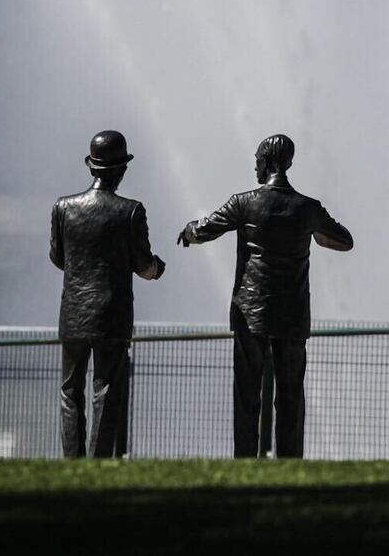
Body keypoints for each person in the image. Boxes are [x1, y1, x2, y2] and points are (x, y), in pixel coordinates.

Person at [178, 133, 353, 458]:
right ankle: (290, 459)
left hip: (250, 312)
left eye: (258, 161)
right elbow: (344, 240)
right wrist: (312, 232)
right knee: (290, 393)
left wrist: (188, 231)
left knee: (247, 392)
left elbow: (205, 229)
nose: (256, 167)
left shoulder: (243, 202)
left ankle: (245, 457)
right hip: (292, 313)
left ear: (269, 162)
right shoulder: (308, 208)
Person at [50, 129, 164, 458]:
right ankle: (98, 461)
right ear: (121, 170)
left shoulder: (63, 207)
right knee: (107, 389)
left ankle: (72, 461)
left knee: (70, 390)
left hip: (73, 313)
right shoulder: (131, 211)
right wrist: (157, 268)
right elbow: (144, 265)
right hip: (112, 315)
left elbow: (59, 259)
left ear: (91, 167)